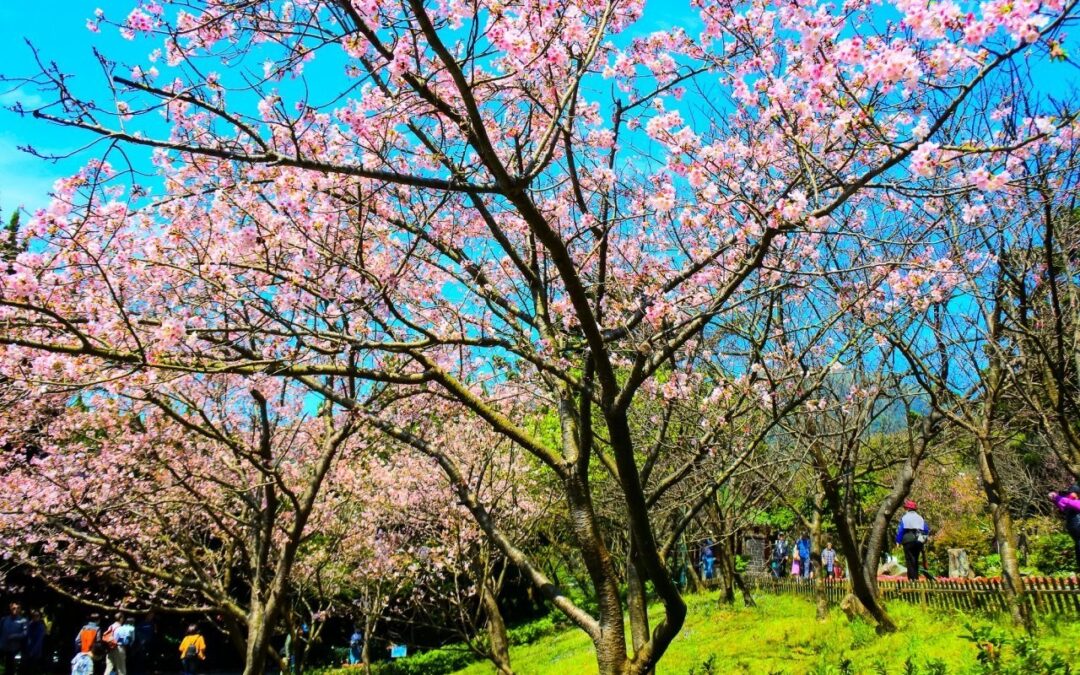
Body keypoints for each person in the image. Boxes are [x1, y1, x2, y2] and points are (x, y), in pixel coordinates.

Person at [896, 499, 930, 581]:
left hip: (908, 540)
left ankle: (912, 579)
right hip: (918, 540)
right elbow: (926, 530)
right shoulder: (920, 518)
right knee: (915, 559)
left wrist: (898, 540)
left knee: (909, 559)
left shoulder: (905, 517)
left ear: (907, 509)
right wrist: (923, 540)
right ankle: (916, 578)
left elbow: (901, 530)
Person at [1049, 483, 1080, 571]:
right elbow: (1063, 504)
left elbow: (1068, 502)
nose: (1068, 495)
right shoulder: (1069, 507)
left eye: (1071, 493)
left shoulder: (1077, 503)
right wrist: (1054, 499)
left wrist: (1056, 497)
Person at [1, 603, 28, 675]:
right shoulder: (4, 619)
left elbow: (25, 634)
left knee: (10, 667)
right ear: (10, 608)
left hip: (13, 648)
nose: (15, 610)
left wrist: (14, 636)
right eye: (13, 608)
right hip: (2, 646)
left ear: (20, 609)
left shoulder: (23, 620)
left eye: (17, 608)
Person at [21, 611, 44, 675]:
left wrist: (33, 652)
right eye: (34, 616)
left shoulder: (41, 627)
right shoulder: (29, 625)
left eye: (37, 616)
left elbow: (39, 641)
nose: (35, 617)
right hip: (27, 651)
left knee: (32, 669)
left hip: (35, 653)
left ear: (39, 617)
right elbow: (26, 636)